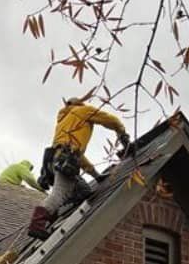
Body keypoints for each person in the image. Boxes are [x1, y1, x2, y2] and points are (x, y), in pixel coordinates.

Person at [27, 98, 129, 240]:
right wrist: (122, 132)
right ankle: (37, 225)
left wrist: (96, 175)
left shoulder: (64, 121)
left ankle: (53, 214)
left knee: (84, 191)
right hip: (65, 160)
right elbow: (110, 120)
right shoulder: (83, 110)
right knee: (60, 193)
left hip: (55, 160)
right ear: (80, 104)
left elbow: (77, 155)